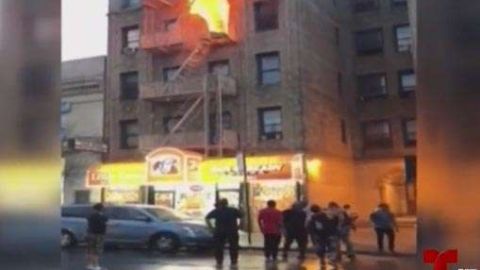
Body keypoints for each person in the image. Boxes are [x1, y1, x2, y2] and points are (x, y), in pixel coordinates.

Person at [206, 198, 243, 268]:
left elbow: (207, 218)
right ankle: (233, 261)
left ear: (220, 204)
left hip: (220, 231)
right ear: (227, 203)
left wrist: (211, 227)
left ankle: (219, 261)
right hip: (232, 230)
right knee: (233, 246)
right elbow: (242, 216)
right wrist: (239, 225)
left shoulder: (217, 211)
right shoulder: (233, 210)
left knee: (218, 246)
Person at [308, 204, 340, 269]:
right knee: (326, 249)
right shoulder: (320, 216)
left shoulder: (335, 217)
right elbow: (311, 226)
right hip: (325, 235)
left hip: (325, 235)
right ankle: (326, 259)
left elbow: (335, 226)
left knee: (327, 248)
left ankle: (327, 260)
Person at [86, 203, 108, 270]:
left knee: (90, 250)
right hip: (99, 235)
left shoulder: (91, 216)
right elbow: (105, 223)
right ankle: (96, 266)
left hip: (90, 234)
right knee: (97, 250)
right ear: (101, 209)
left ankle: (89, 265)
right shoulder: (102, 217)